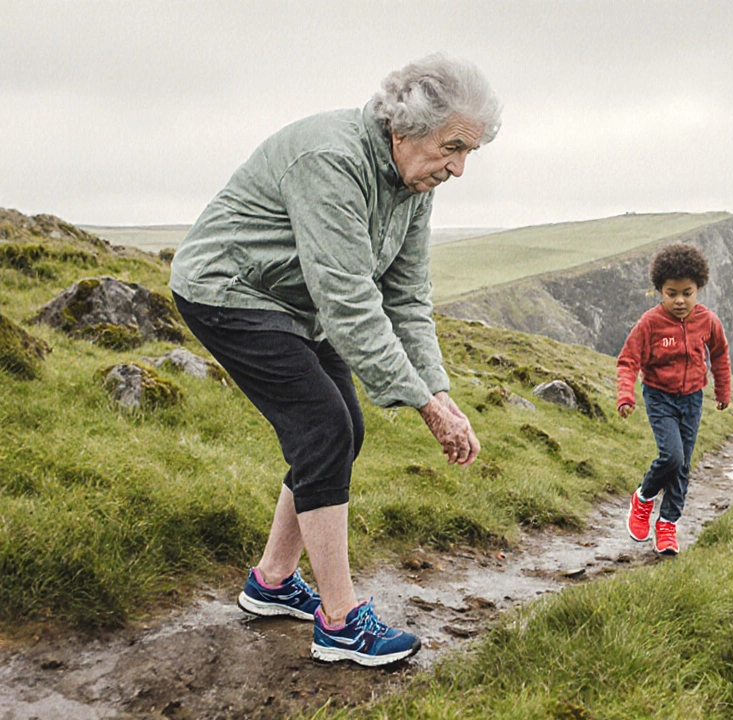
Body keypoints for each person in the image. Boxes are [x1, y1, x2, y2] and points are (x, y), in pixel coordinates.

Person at [168, 54, 501, 666]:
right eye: (452, 148)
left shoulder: (413, 184)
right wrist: (426, 408)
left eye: (468, 153)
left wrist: (439, 389)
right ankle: (341, 623)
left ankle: (271, 582)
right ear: (404, 129)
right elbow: (348, 300)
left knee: (342, 430)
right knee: (323, 428)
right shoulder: (333, 159)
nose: (458, 168)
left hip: (298, 302)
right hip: (231, 289)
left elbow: (405, 296)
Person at [617, 244, 731, 555]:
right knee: (672, 457)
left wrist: (723, 391)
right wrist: (625, 394)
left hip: (693, 399)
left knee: (683, 467)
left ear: (699, 289)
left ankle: (667, 525)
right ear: (660, 291)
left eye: (687, 292)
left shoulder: (708, 321)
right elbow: (628, 360)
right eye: (671, 293)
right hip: (659, 397)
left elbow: (720, 355)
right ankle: (643, 497)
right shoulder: (650, 323)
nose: (679, 300)